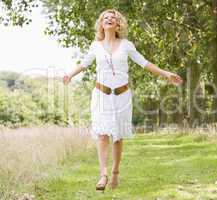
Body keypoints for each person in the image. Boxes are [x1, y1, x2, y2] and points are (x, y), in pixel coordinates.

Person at [63, 9, 183, 191]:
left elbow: (144, 63)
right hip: (101, 95)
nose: (109, 19)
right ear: (101, 24)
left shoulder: (126, 45)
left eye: (113, 18)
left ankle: (115, 172)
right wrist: (69, 75)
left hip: (121, 96)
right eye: (105, 17)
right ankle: (102, 175)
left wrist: (166, 74)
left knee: (117, 136)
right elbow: (84, 63)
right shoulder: (96, 46)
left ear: (118, 24)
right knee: (102, 134)